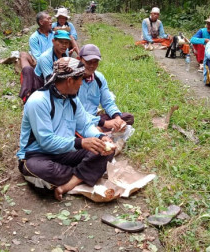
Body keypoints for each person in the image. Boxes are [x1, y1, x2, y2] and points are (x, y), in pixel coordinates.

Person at [17, 58, 116, 201]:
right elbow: (46, 141)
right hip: (38, 155)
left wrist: (100, 138)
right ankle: (85, 174)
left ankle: (69, 183)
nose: (81, 83)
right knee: (39, 169)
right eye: (80, 79)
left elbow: (85, 125)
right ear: (70, 80)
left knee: (105, 151)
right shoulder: (38, 101)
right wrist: (81, 143)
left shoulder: (72, 99)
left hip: (66, 152)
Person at [76, 44, 135, 132]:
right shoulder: (73, 80)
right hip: (77, 120)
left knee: (127, 118)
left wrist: (117, 118)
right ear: (79, 59)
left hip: (95, 119)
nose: (92, 65)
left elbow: (108, 102)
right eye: (88, 62)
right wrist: (106, 123)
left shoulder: (99, 78)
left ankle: (96, 130)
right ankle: (95, 131)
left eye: (95, 62)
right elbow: (74, 112)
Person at [18, 11, 54, 102]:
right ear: (41, 22)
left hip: (54, 62)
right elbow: (37, 56)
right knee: (25, 61)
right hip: (40, 63)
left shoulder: (54, 35)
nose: (51, 21)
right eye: (48, 19)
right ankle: (26, 93)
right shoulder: (34, 37)